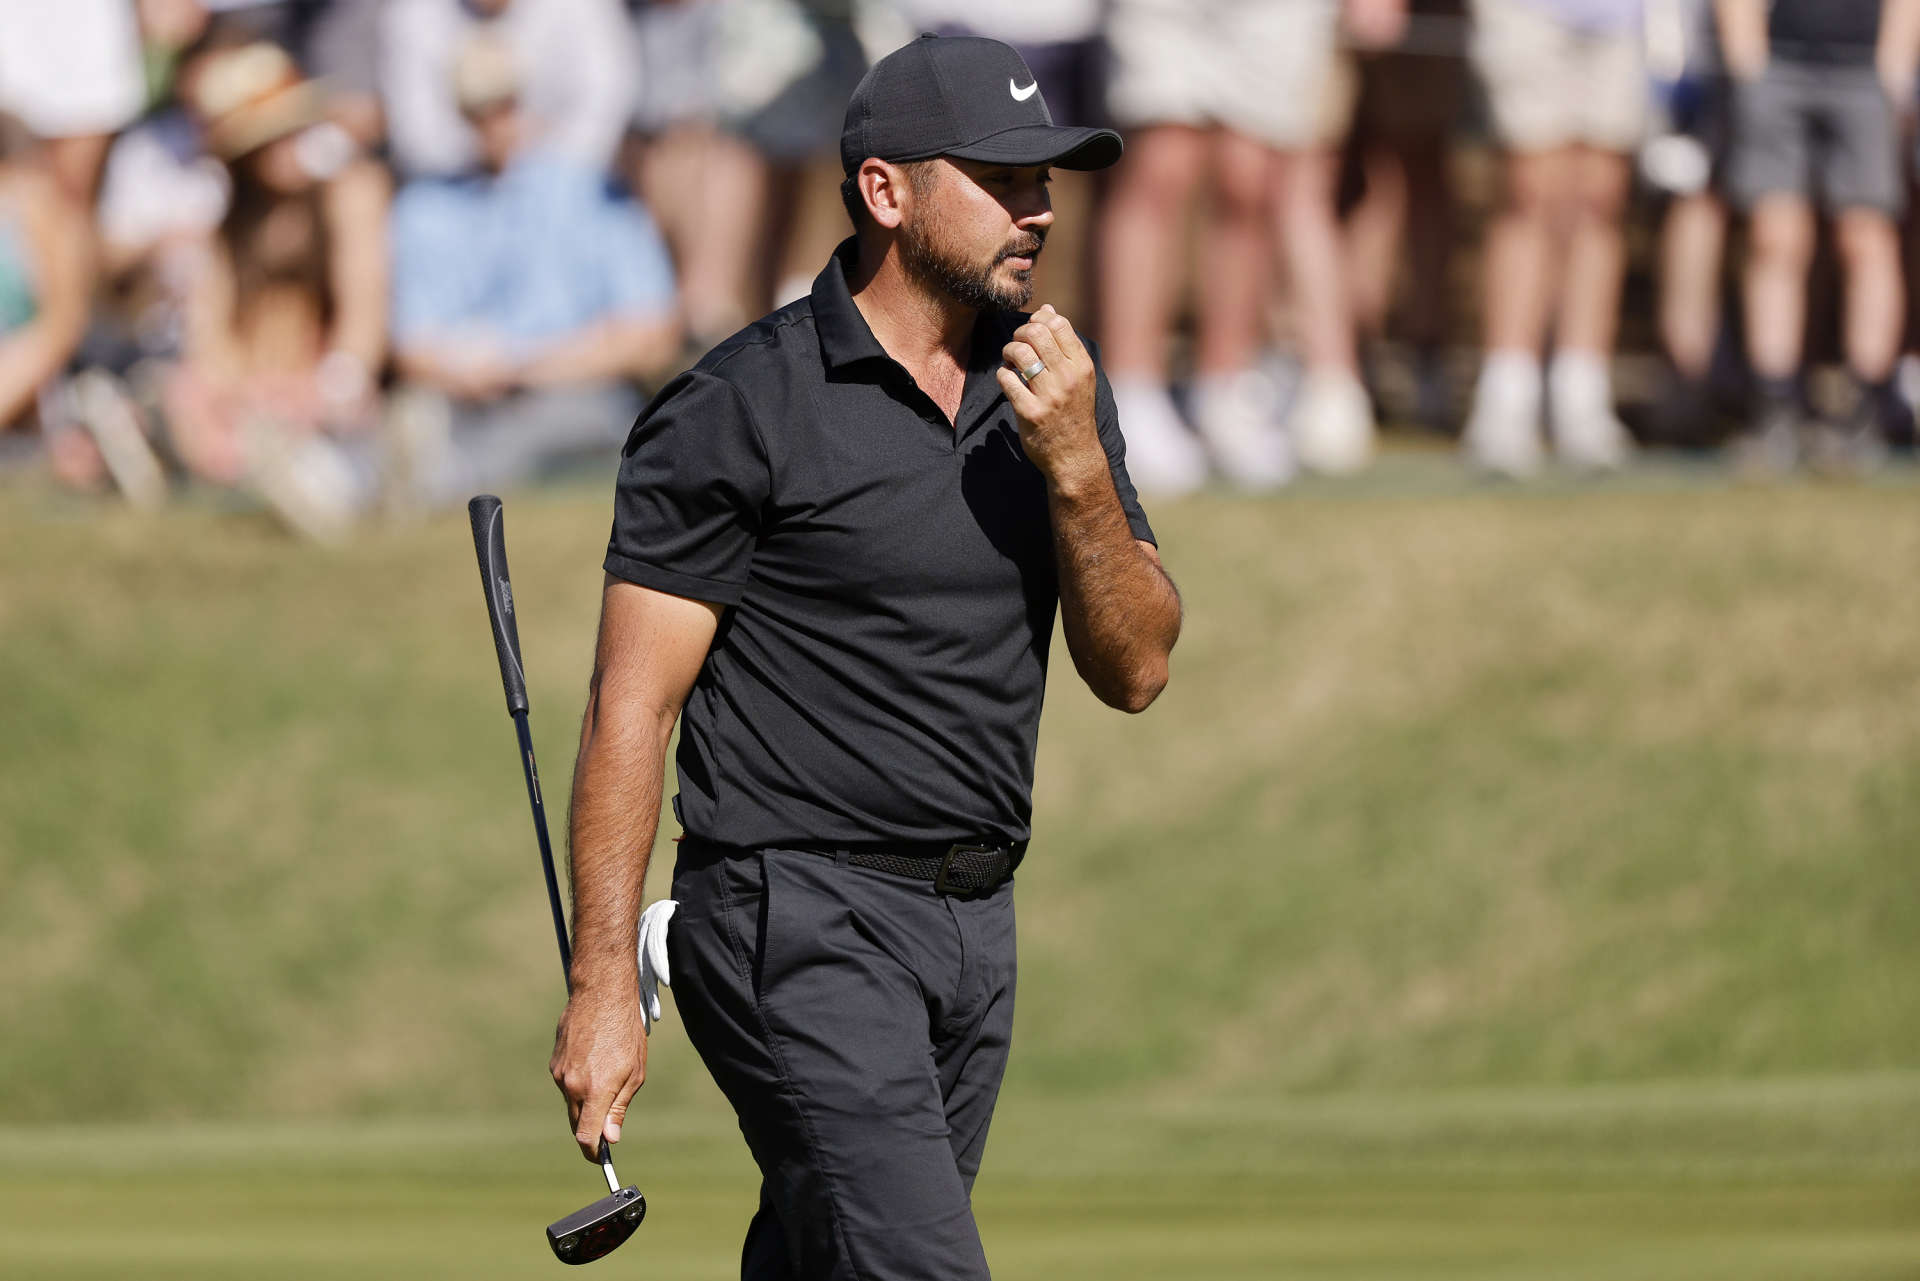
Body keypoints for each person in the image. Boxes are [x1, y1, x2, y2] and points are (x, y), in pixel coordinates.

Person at [549, 34, 1180, 1281]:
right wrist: (603, 984)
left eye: (1047, 178)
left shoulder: (1053, 390)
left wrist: (1080, 473)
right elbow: (633, 704)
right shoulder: (738, 407)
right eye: (1003, 180)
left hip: (974, 924)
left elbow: (1138, 668)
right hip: (796, 919)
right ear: (887, 193)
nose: (1039, 209)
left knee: (831, 1258)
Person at [387, 35, 681, 508]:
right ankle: (375, 476)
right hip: (469, 396)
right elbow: (412, 346)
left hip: (574, 391)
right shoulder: (425, 207)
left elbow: (651, 333)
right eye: (478, 110)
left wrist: (525, 366)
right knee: (439, 422)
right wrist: (472, 370)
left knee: (537, 429)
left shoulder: (591, 190)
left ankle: (421, 482)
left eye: (503, 105)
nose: (494, 123)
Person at [1718, 0, 1920, 473]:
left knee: (1867, 239)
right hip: (1779, 60)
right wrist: (1746, 55)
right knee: (1774, 238)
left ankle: (1863, 413)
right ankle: (1774, 411)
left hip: (1865, 66)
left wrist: (1896, 58)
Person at [1464, 0, 1646, 475]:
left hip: (1622, 18)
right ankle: (1506, 398)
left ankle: (1581, 397)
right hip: (1527, 13)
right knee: (1529, 191)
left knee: (1600, 199)